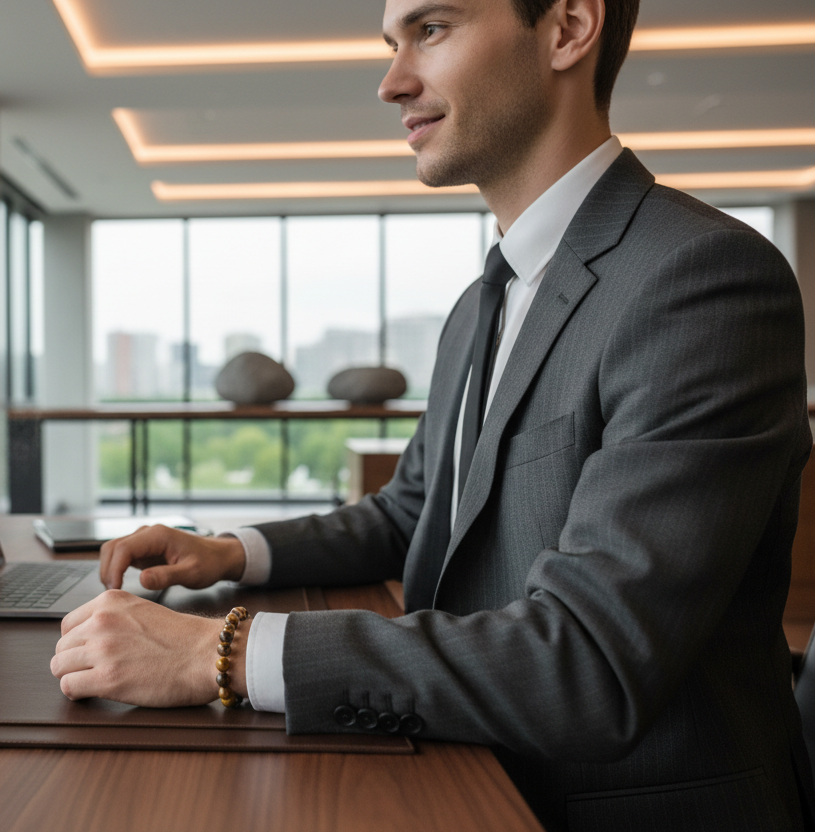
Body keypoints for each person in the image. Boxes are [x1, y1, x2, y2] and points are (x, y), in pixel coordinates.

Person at [49, 0, 815, 828]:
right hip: (464, 763)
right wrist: (232, 552)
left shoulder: (701, 280)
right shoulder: (481, 303)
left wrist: (222, 651)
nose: (391, 81)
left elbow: (590, 661)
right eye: (392, 43)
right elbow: (415, 509)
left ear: (567, 28)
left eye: (433, 29)